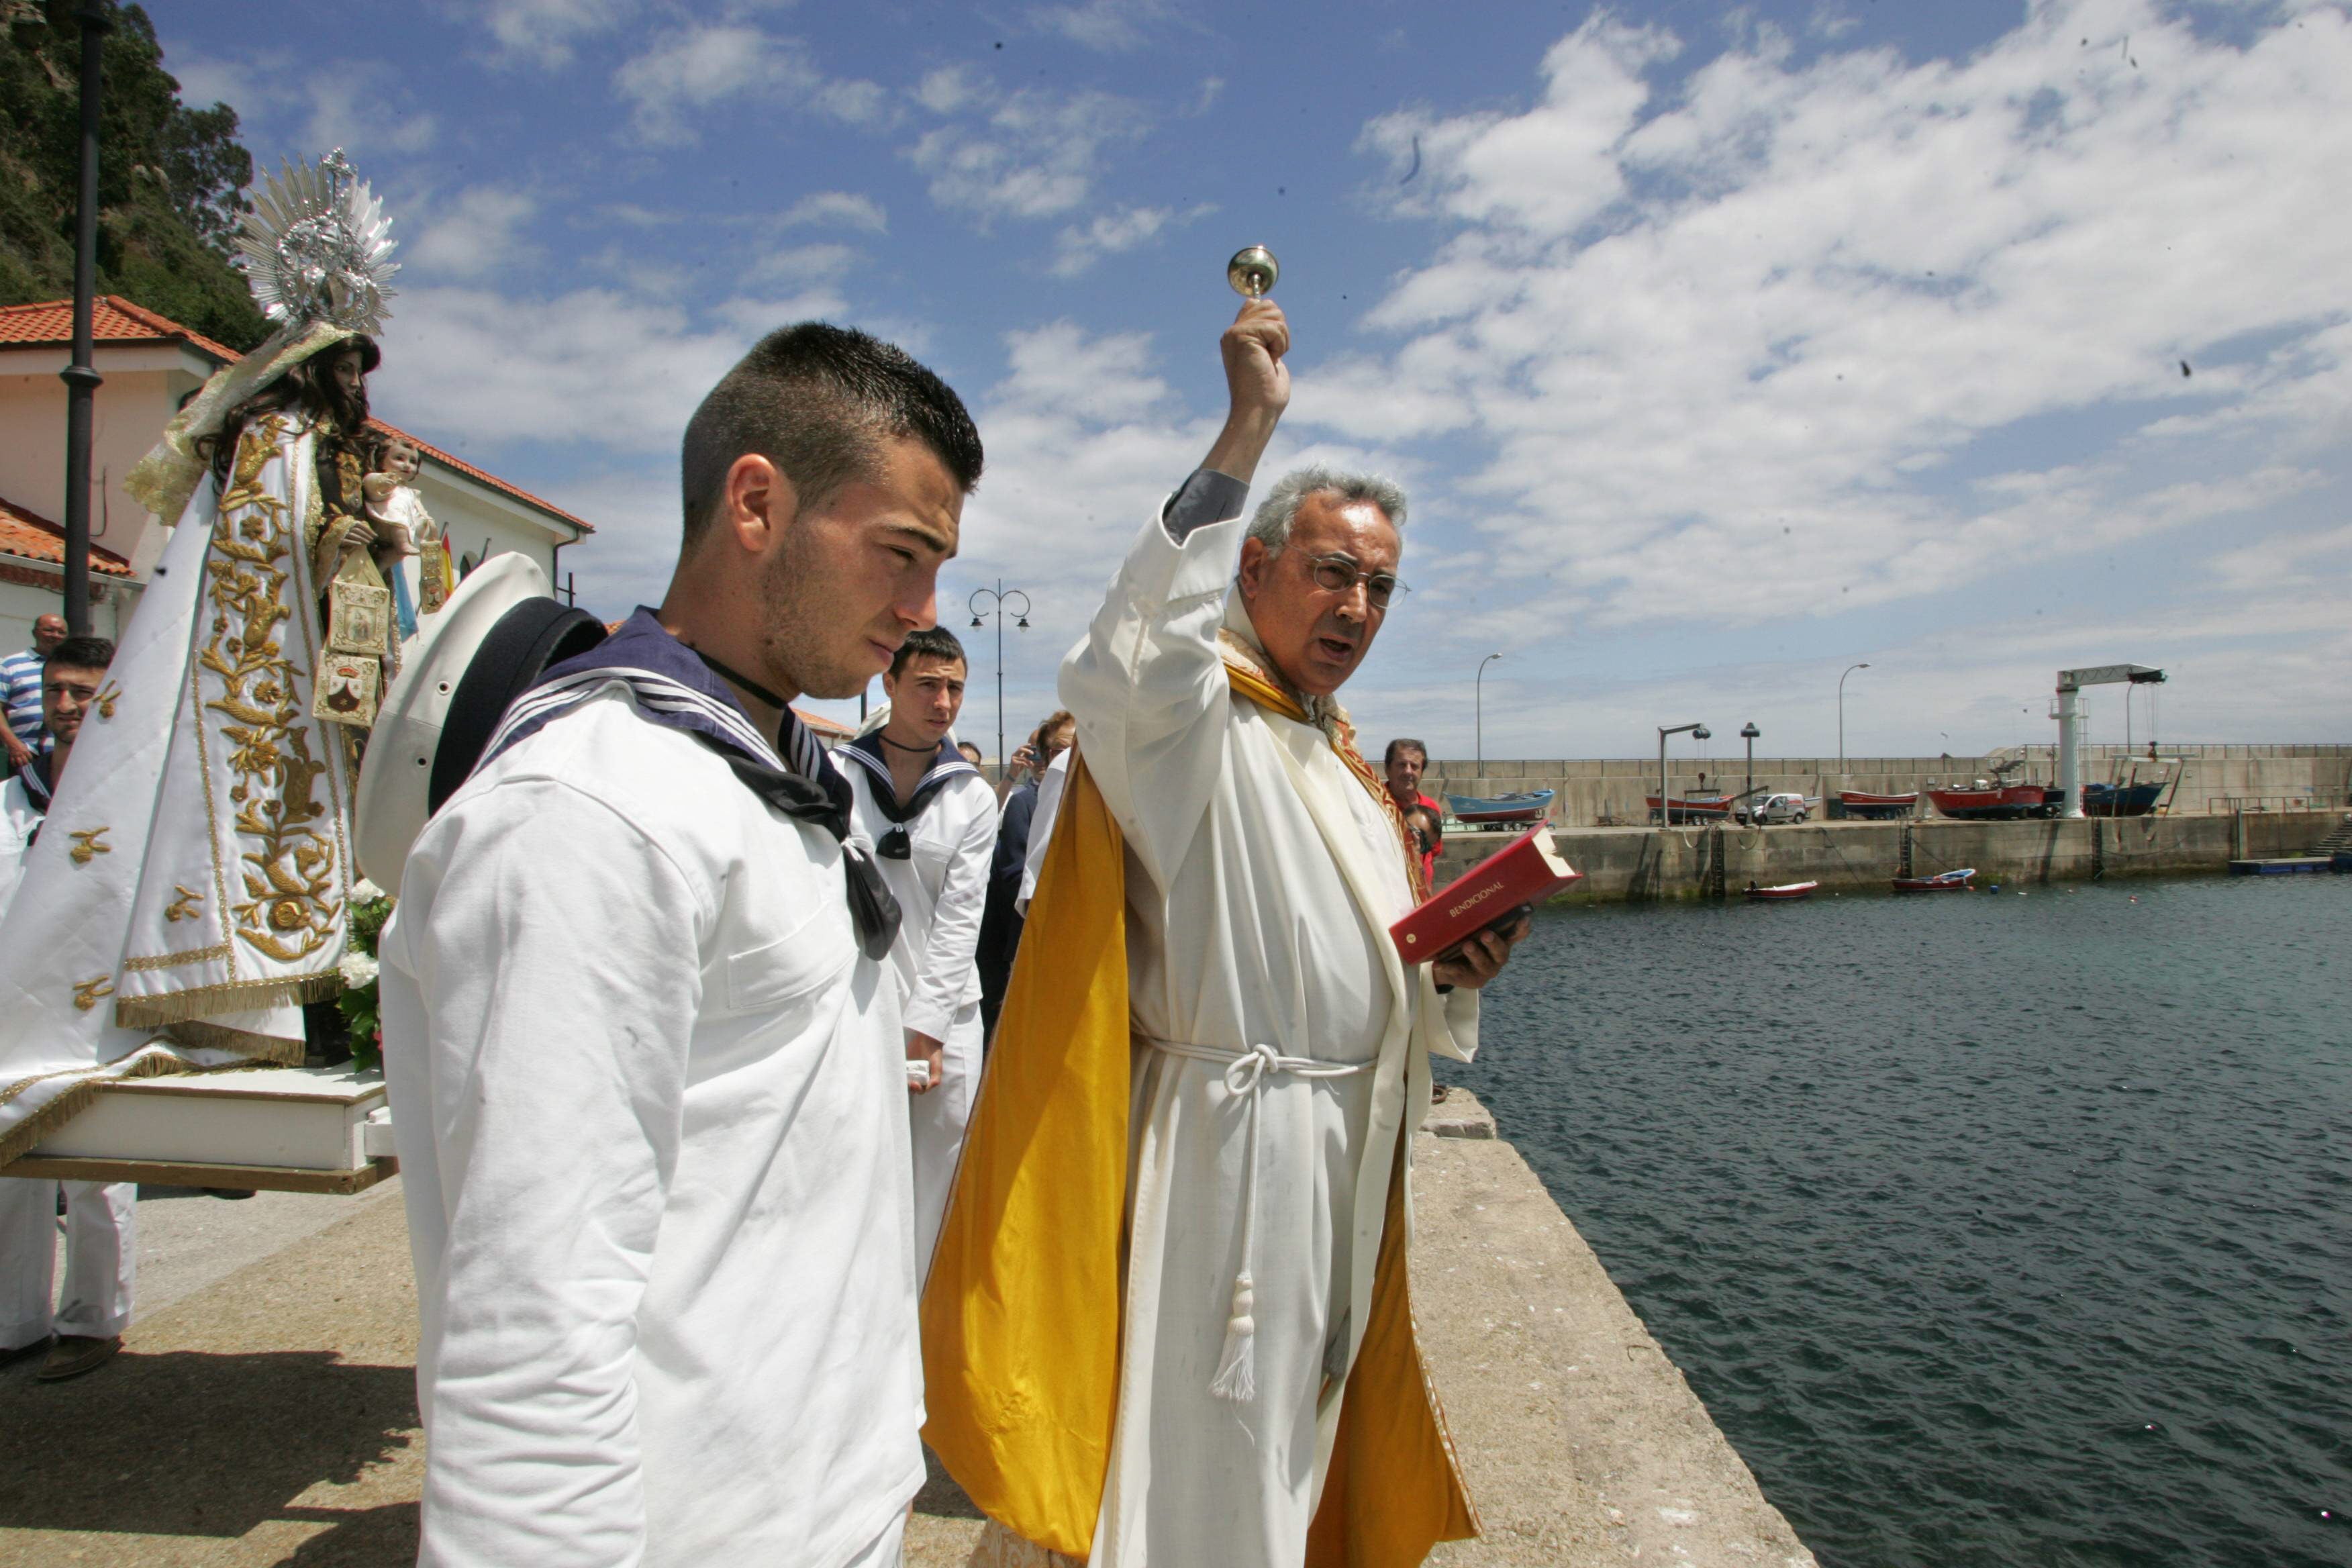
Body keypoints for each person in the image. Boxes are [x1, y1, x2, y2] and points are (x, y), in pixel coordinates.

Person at [924, 299, 1528, 1567]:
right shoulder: (1188, 726)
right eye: (1329, 571)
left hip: (1335, 1166)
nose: (1357, 606)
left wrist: (1447, 978)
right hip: (1227, 1161)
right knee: (1202, 1473)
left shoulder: (1341, 764)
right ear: (1249, 571)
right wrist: (1245, 431)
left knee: (1293, 1452)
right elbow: (1126, 660)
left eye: (1378, 585)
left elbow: (1353, 963)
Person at [379, 322, 981, 1568]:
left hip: (824, 1484)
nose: (922, 614)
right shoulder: (592, 816)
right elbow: (530, 1322)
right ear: (756, 504)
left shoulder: (762, 773)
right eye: (900, 555)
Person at [836, 625, 998, 1276]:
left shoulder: (972, 796)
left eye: (955, 687)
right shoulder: (840, 775)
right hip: (857, 1010)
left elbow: (963, 919)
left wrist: (926, 1028)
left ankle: (921, 1353)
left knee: (934, 1198)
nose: (943, 701)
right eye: (928, 684)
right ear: (890, 683)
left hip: (946, 1023)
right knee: (855, 1183)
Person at [1, 635, 138, 1384]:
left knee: (96, 1172)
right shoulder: (6, 803)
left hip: (92, 1015)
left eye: (82, 693)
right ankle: (13, 1324)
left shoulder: (130, 803)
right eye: (56, 690)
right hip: (9, 1011)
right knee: (8, 1172)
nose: (64, 706)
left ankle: (93, 1317)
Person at [977, 710, 1073, 1034]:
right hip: (1035, 945)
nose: (1071, 756)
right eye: (1061, 749)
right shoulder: (1024, 804)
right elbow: (1015, 877)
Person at [0, 612, 64, 781]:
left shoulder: (70, 667)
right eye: (49, 630)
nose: (55, 635)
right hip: (25, 755)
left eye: (61, 632)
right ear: (35, 632)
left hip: (63, 755)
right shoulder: (10, 665)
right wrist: (14, 745)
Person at [1384, 738, 1441, 887]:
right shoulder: (1375, 803)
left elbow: (1432, 853)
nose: (1408, 771)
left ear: (1422, 772)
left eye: (1414, 766)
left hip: (1422, 896)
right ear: (1387, 769)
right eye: (1402, 765)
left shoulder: (1431, 808)